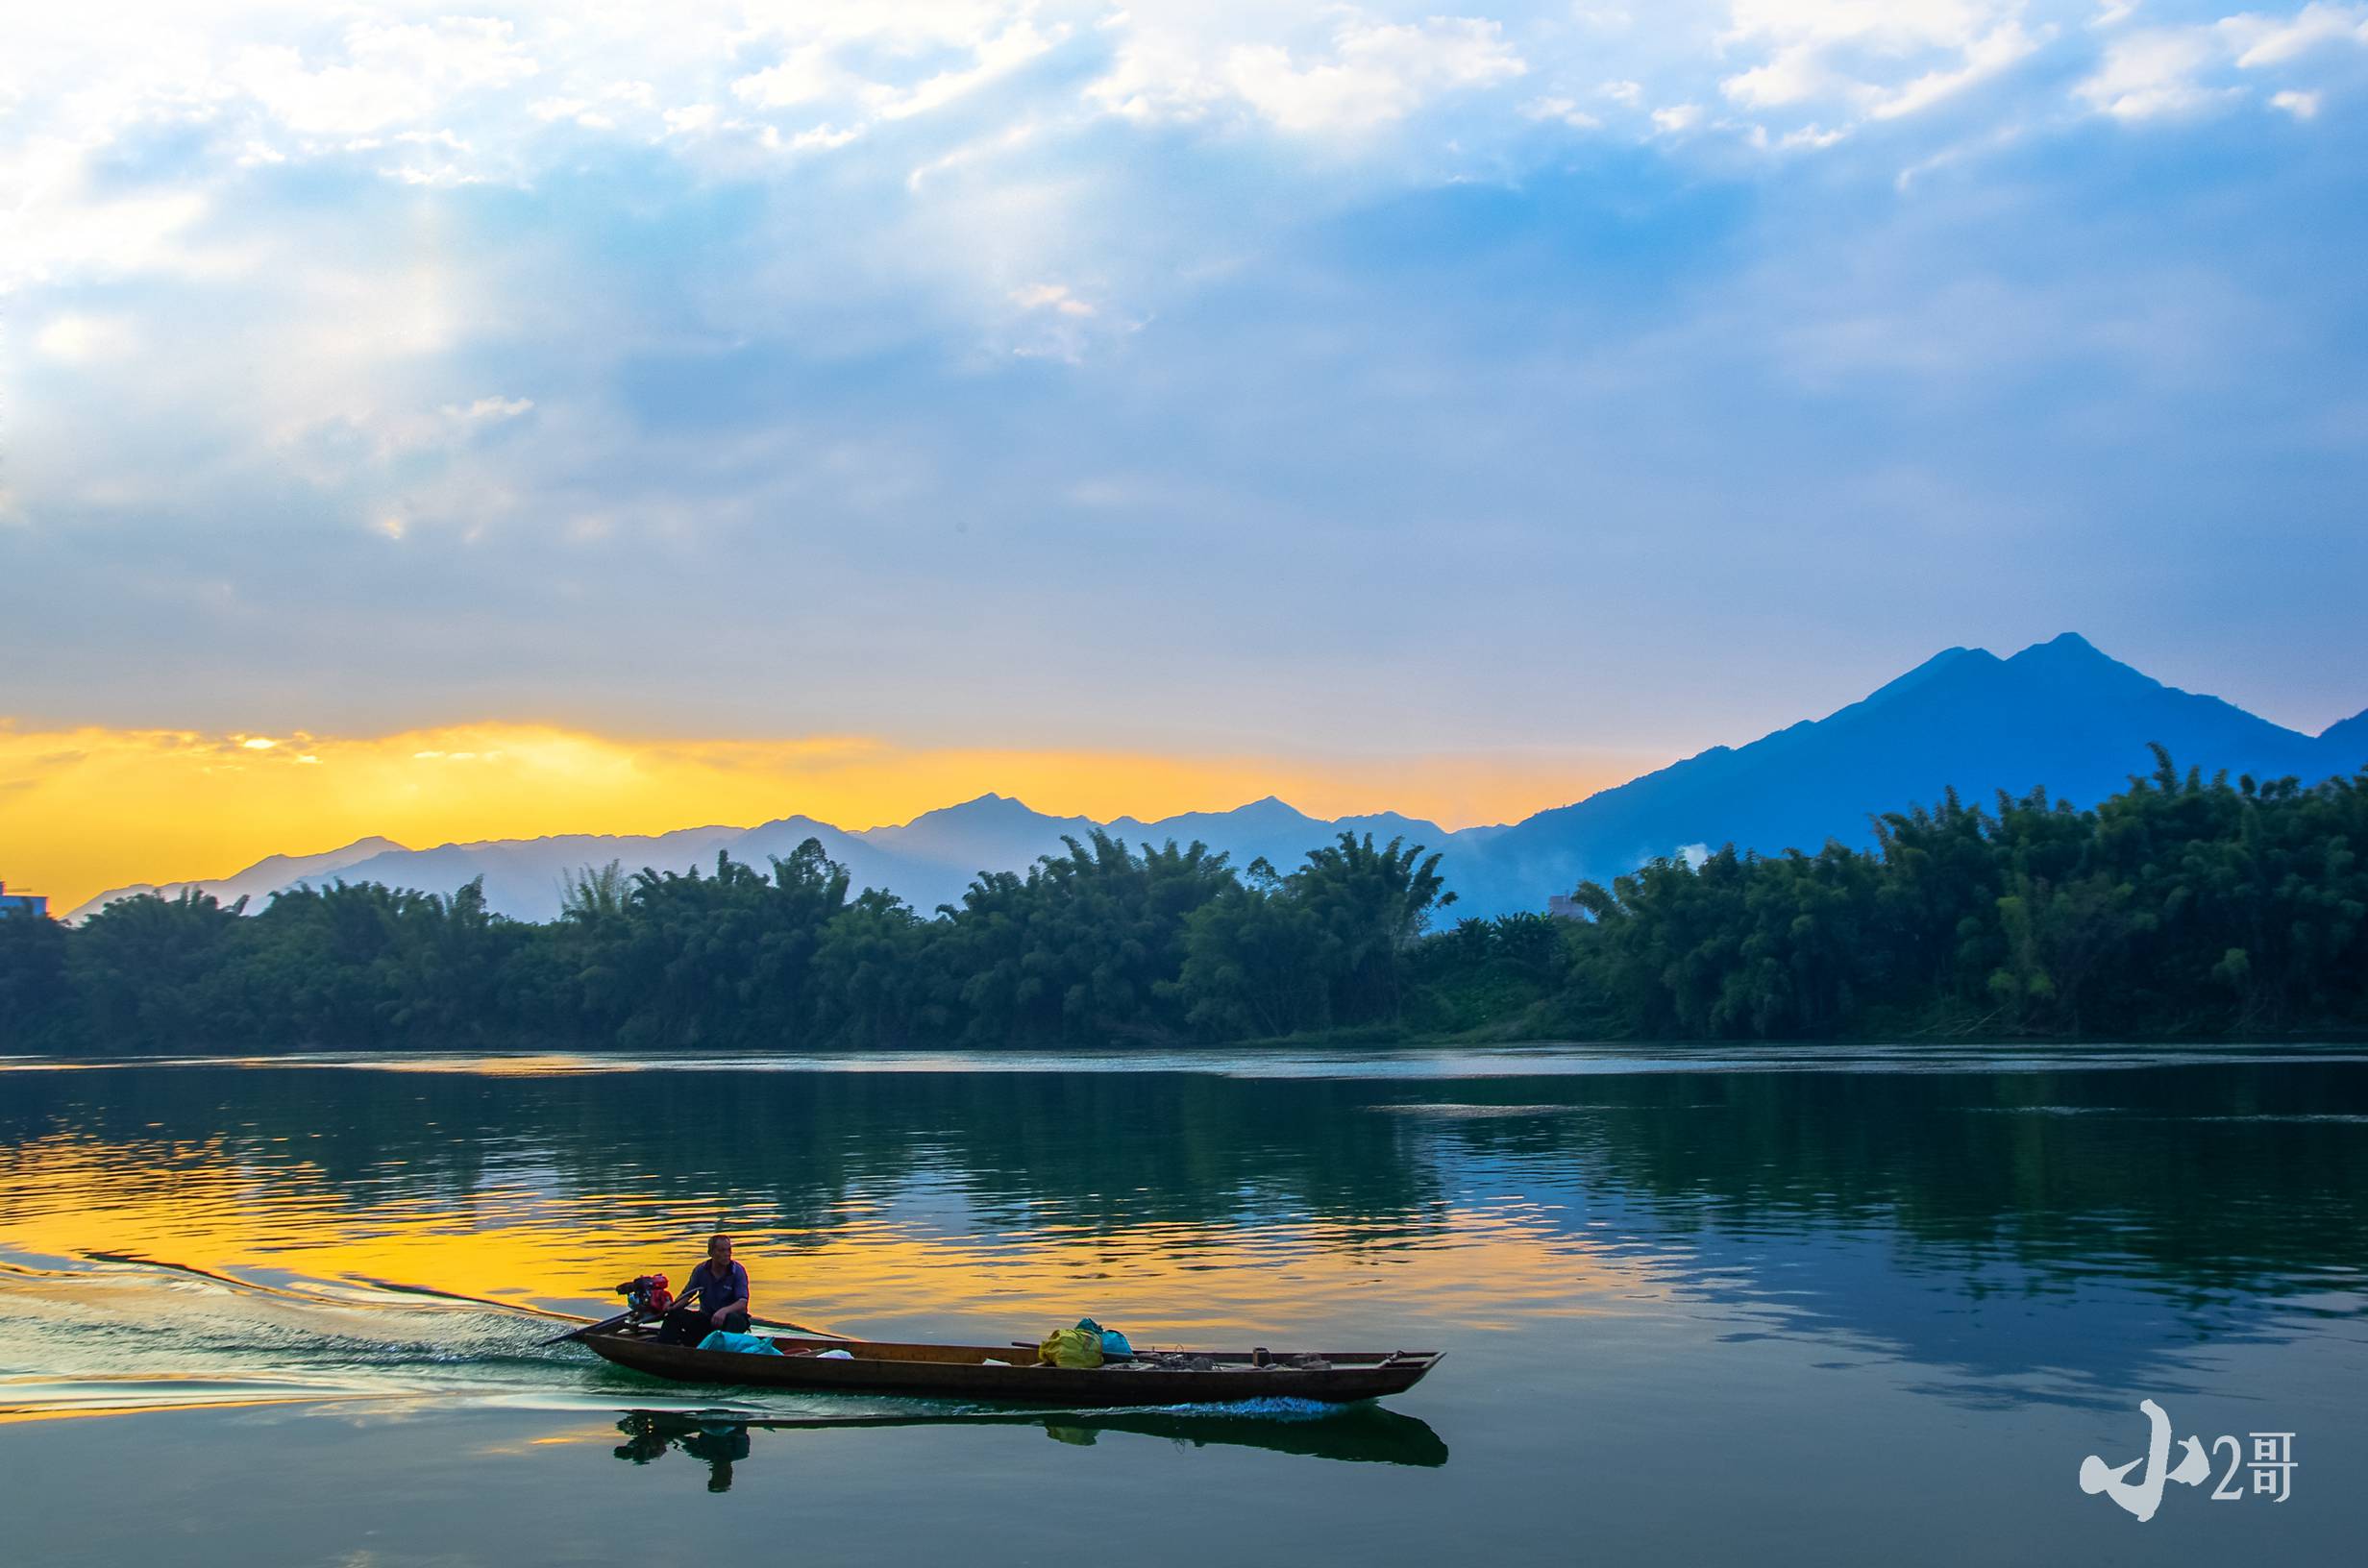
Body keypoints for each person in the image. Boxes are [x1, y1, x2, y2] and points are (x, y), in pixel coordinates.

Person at [655, 1234, 752, 1345]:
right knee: (675, 1315)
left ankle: (726, 1351)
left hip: (730, 1320)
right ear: (711, 1253)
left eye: (729, 1250)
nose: (727, 1254)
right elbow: (687, 1295)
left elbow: (742, 1303)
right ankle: (664, 1349)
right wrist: (672, 1307)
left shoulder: (738, 1271)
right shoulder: (701, 1270)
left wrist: (723, 1311)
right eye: (721, 1251)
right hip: (707, 1319)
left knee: (734, 1319)